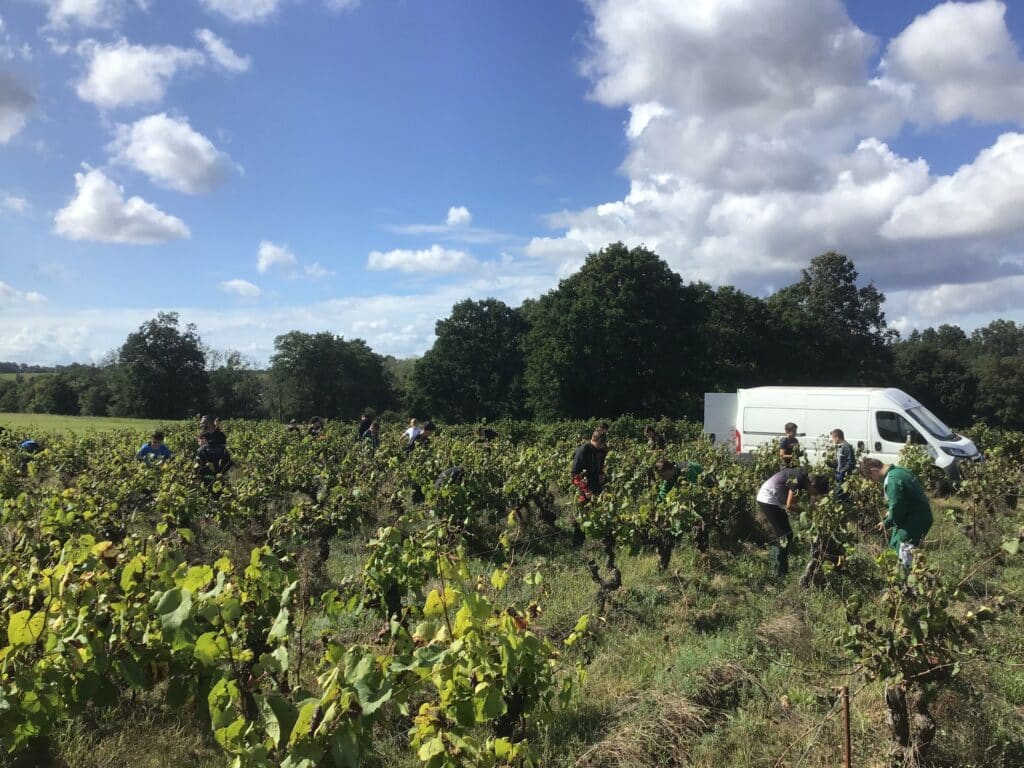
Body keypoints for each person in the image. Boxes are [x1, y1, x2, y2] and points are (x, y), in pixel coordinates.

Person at [860, 457, 932, 570]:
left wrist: (887, 522)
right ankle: (913, 575)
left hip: (914, 520)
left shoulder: (891, 480)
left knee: (901, 549)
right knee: (896, 543)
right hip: (921, 515)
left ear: (873, 470)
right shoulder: (899, 470)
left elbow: (898, 508)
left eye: (870, 478)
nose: (872, 481)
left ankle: (906, 582)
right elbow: (902, 499)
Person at [756, 467, 829, 577]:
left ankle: (781, 569)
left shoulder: (804, 480)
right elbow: (790, 505)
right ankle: (778, 571)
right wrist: (807, 514)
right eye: (816, 493)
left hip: (774, 500)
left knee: (786, 535)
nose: (815, 495)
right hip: (767, 499)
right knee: (784, 535)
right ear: (813, 486)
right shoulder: (799, 480)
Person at [654, 457, 710, 551]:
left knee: (703, 514)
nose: (662, 478)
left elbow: (695, 486)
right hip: (692, 491)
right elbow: (663, 492)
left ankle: (705, 542)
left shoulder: (686, 468)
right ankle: (692, 538)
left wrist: (682, 499)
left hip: (706, 486)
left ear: (668, 470)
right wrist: (657, 508)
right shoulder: (669, 477)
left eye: (662, 476)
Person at [571, 431, 607, 502]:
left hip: (595, 483)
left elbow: (598, 466)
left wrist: (601, 474)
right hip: (583, 485)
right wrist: (585, 489)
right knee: (586, 505)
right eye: (601, 443)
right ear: (595, 440)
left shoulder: (598, 450)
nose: (602, 445)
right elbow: (574, 473)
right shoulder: (583, 451)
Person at [831, 429, 855, 498]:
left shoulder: (847, 447)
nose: (832, 440)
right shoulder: (840, 447)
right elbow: (840, 462)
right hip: (839, 475)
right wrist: (832, 465)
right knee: (838, 494)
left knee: (840, 496)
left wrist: (842, 471)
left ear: (837, 437)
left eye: (833, 438)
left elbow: (851, 462)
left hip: (844, 476)